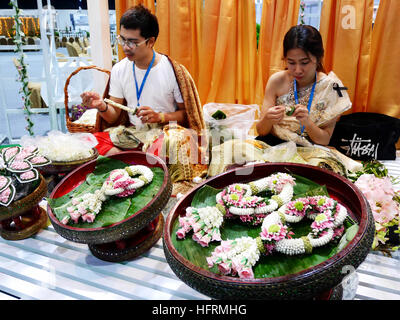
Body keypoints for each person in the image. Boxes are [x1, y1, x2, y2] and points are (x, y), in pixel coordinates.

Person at [80, 5, 207, 183]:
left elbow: (187, 115)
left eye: (132, 42)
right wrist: (101, 106)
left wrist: (159, 116)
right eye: (122, 39)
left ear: (150, 41)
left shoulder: (172, 70)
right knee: (90, 141)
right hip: (132, 134)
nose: (125, 47)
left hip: (164, 134)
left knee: (165, 147)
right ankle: (138, 167)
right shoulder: (119, 69)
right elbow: (114, 116)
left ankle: (129, 166)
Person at [256, 25, 352, 147]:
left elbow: (324, 140)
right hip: (273, 146)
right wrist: (267, 119)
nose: (297, 70)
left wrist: (307, 122)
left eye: (304, 62)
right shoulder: (276, 81)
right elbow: (261, 131)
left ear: (318, 58)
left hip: (310, 149)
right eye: (291, 62)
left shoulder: (331, 87)